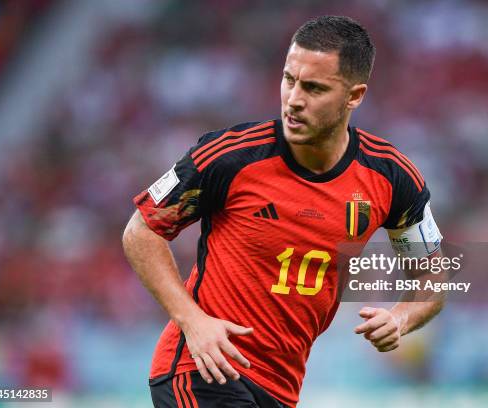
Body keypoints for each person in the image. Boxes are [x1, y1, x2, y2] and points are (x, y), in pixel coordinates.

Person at [123, 15, 444, 408]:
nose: (293, 99)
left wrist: (400, 318)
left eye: (313, 87)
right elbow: (142, 230)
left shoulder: (390, 177)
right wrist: (192, 321)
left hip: (280, 388)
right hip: (203, 369)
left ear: (354, 96)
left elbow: (431, 275)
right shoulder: (229, 156)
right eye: (289, 79)